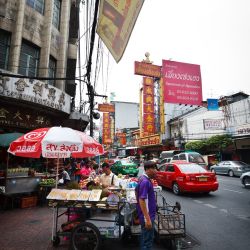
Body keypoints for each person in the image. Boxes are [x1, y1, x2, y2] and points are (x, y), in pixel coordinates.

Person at [135, 161, 157, 250]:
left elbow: (136, 191)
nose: (156, 171)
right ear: (148, 169)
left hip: (145, 215)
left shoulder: (142, 179)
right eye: (154, 168)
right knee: (147, 242)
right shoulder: (145, 181)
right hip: (147, 216)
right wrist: (147, 219)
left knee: (145, 238)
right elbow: (141, 199)